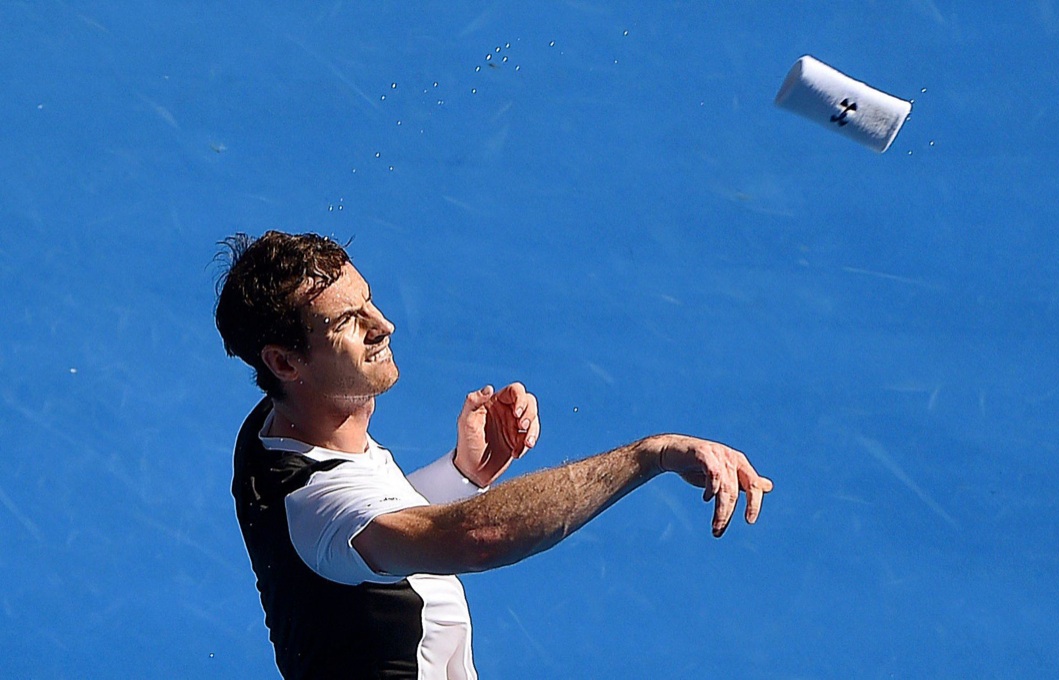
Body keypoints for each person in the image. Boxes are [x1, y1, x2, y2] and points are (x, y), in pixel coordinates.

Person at [214, 230, 774, 679]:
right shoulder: (309, 501)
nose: (383, 325)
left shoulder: (280, 426)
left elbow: (372, 533)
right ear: (285, 363)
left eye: (368, 301)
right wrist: (649, 456)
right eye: (345, 323)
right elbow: (476, 539)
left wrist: (461, 474)